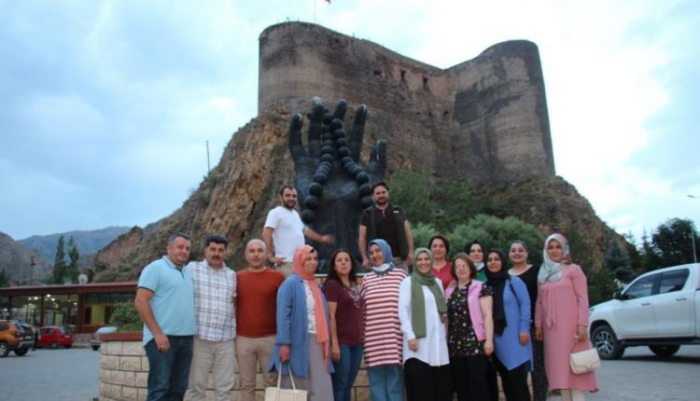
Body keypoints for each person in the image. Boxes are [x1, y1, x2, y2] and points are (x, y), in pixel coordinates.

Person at [535, 234, 598, 401]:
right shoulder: (543, 273)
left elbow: (583, 298)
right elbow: (539, 302)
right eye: (551, 247)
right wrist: (538, 325)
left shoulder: (573, 270)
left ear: (565, 249)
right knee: (560, 374)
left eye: (558, 247)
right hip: (552, 332)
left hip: (571, 329)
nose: (554, 250)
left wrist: (583, 324)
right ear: (545, 250)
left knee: (574, 372)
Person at [134, 233, 195, 401]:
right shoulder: (155, 268)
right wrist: (158, 333)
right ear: (169, 248)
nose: (183, 251)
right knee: (160, 390)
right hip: (163, 340)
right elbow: (141, 301)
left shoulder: (187, 273)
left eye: (187, 248)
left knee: (178, 391)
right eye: (180, 247)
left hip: (186, 340)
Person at [270, 245, 334, 401]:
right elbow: (283, 315)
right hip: (296, 342)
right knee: (296, 390)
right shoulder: (290, 284)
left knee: (321, 388)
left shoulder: (315, 286)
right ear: (299, 261)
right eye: (308, 259)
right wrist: (284, 343)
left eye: (315, 259)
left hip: (318, 341)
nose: (312, 262)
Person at [184, 234, 237, 401]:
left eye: (221, 250)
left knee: (224, 389)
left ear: (225, 252)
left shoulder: (232, 275)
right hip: (200, 339)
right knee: (196, 388)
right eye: (212, 249)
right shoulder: (192, 269)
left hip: (225, 340)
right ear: (205, 250)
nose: (217, 253)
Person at [235, 239, 286, 401]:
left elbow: (285, 308)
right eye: (252, 251)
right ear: (246, 255)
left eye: (259, 251)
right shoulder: (236, 278)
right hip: (243, 339)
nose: (256, 254)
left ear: (266, 254)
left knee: (272, 383)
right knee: (246, 384)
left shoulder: (278, 277)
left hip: (270, 338)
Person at [398, 248, 451, 401]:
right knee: (421, 392)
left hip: (438, 345)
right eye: (419, 259)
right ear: (415, 262)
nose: (423, 262)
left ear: (431, 260)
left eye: (426, 259)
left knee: (440, 391)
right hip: (418, 346)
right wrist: (410, 336)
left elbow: (441, 312)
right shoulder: (408, 282)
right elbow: (403, 311)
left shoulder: (438, 283)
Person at [361, 239, 408, 401]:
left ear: (386, 251)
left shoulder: (401, 275)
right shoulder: (367, 279)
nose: (375, 255)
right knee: (376, 385)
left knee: (395, 384)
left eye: (378, 250)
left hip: (395, 340)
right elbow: (362, 310)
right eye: (372, 252)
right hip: (372, 341)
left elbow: (408, 306)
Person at [445, 253, 494, 401]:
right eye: (457, 266)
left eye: (464, 266)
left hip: (475, 343)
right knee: (461, 384)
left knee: (477, 382)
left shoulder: (481, 287)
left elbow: (487, 315)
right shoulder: (449, 291)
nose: (461, 269)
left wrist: (489, 341)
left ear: (471, 268)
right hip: (455, 345)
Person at [485, 249, 532, 401]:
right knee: (506, 383)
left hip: (516, 339)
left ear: (503, 261)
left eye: (496, 259)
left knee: (518, 384)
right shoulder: (485, 286)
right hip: (496, 341)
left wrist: (524, 329)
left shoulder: (513, 281)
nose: (493, 262)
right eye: (490, 260)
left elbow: (525, 304)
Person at [263, 186, 334, 276]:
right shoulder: (276, 212)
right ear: (281, 197)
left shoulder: (295, 214)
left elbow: (305, 230)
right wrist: (270, 256)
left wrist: (322, 238)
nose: (291, 198)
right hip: (287, 264)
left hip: (301, 264)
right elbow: (267, 232)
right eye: (288, 195)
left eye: (294, 196)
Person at [508, 240, 547, 401]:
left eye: (520, 250)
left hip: (534, 326)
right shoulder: (506, 276)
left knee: (538, 369)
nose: (517, 253)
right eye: (513, 250)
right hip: (514, 330)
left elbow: (543, 298)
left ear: (527, 253)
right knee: (520, 370)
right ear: (509, 254)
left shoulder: (538, 271)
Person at [323, 248, 364, 401]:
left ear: (352, 264)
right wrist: (335, 344)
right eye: (339, 260)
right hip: (342, 344)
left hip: (357, 343)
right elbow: (330, 316)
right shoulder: (332, 285)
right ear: (334, 266)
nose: (343, 263)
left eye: (346, 260)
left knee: (348, 384)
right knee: (340, 384)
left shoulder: (355, 284)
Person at [359, 182, 415, 271]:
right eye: (378, 193)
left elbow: (407, 232)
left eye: (383, 192)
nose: (381, 195)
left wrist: (411, 252)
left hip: (399, 258)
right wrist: (365, 258)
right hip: (377, 259)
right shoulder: (367, 214)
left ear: (388, 193)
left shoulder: (398, 210)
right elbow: (362, 238)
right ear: (373, 196)